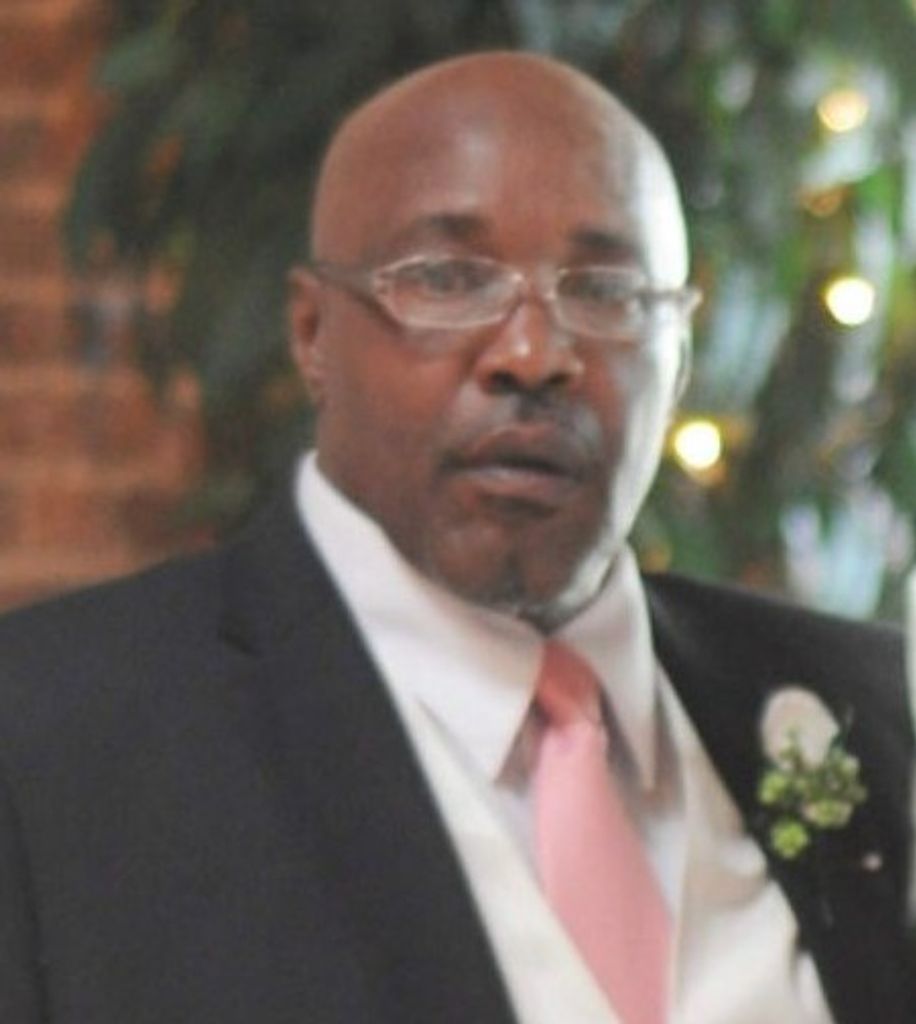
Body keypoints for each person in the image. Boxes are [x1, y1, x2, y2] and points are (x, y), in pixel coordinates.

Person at [0, 51, 912, 1024]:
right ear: (312, 333)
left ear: (681, 352)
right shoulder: (50, 737)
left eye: (607, 290)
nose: (533, 353)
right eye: (444, 278)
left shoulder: (867, 709)